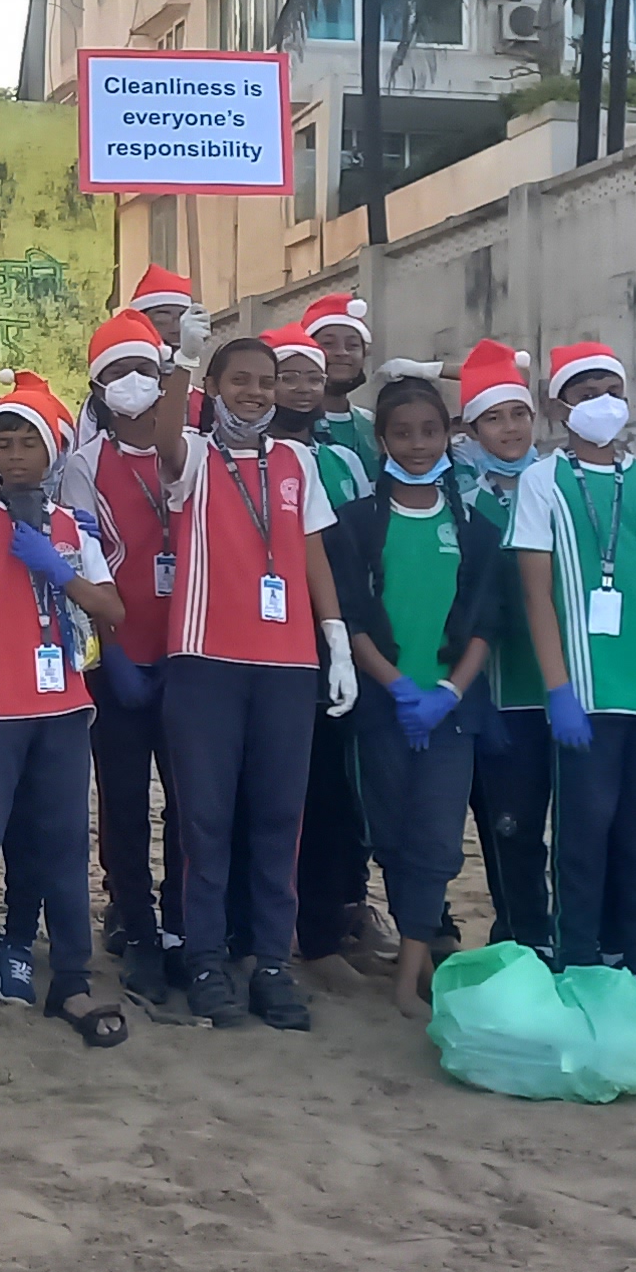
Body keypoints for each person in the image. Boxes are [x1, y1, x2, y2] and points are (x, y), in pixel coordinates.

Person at [157, 333, 359, 1030]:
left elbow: (312, 556)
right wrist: (180, 360)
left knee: (280, 821)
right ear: (212, 389)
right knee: (206, 823)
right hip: (205, 660)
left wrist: (333, 637)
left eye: (265, 381)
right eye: (239, 380)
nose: (255, 392)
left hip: (286, 664)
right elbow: (163, 438)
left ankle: (272, 963)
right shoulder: (195, 457)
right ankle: (207, 960)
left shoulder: (299, 460)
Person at [0, 372, 130, 1047]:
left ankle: (71, 976)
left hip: (64, 707)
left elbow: (112, 610)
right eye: (2, 443)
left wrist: (58, 569)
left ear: (53, 451)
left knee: (65, 845)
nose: (13, 455)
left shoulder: (73, 525)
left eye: (27, 443)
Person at [511, 341, 636, 1027]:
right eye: (587, 388)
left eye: (612, 387)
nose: (603, 400)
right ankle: (580, 957)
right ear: (561, 405)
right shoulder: (542, 481)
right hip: (586, 695)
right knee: (584, 831)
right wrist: (558, 688)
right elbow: (536, 593)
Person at [328, 365, 507, 1015]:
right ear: (381, 440)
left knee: (436, 841)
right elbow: (349, 617)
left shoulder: (475, 527)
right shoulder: (357, 523)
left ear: (449, 436)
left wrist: (448, 695)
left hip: (452, 714)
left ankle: (410, 973)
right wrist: (399, 688)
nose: (417, 444)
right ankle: (415, 955)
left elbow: (486, 622)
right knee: (392, 838)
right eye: (402, 433)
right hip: (383, 708)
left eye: (430, 431)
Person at [55, 310, 190, 998]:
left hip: (193, 657)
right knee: (125, 802)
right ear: (97, 385)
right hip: (121, 661)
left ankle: (185, 926)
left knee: (192, 804)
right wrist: (114, 651)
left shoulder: (193, 451)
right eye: (116, 372)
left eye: (145, 369)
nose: (132, 382)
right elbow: (84, 564)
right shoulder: (83, 467)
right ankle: (136, 927)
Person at [269, 323, 385, 971]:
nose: (304, 387)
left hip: (335, 637)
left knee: (335, 789)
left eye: (313, 376)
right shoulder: (250, 452)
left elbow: (356, 551)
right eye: (291, 375)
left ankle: (329, 921)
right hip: (268, 639)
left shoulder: (342, 459)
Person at [446, 340, 554, 948]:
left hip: (561, 681)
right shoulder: (462, 499)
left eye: (517, 414)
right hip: (490, 686)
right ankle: (520, 933)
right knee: (507, 824)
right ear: (473, 427)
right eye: (493, 417)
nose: (509, 429)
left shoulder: (557, 484)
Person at [299, 295, 377, 472]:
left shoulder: (374, 424)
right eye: (328, 344)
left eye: (352, 345)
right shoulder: (288, 427)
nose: (342, 352)